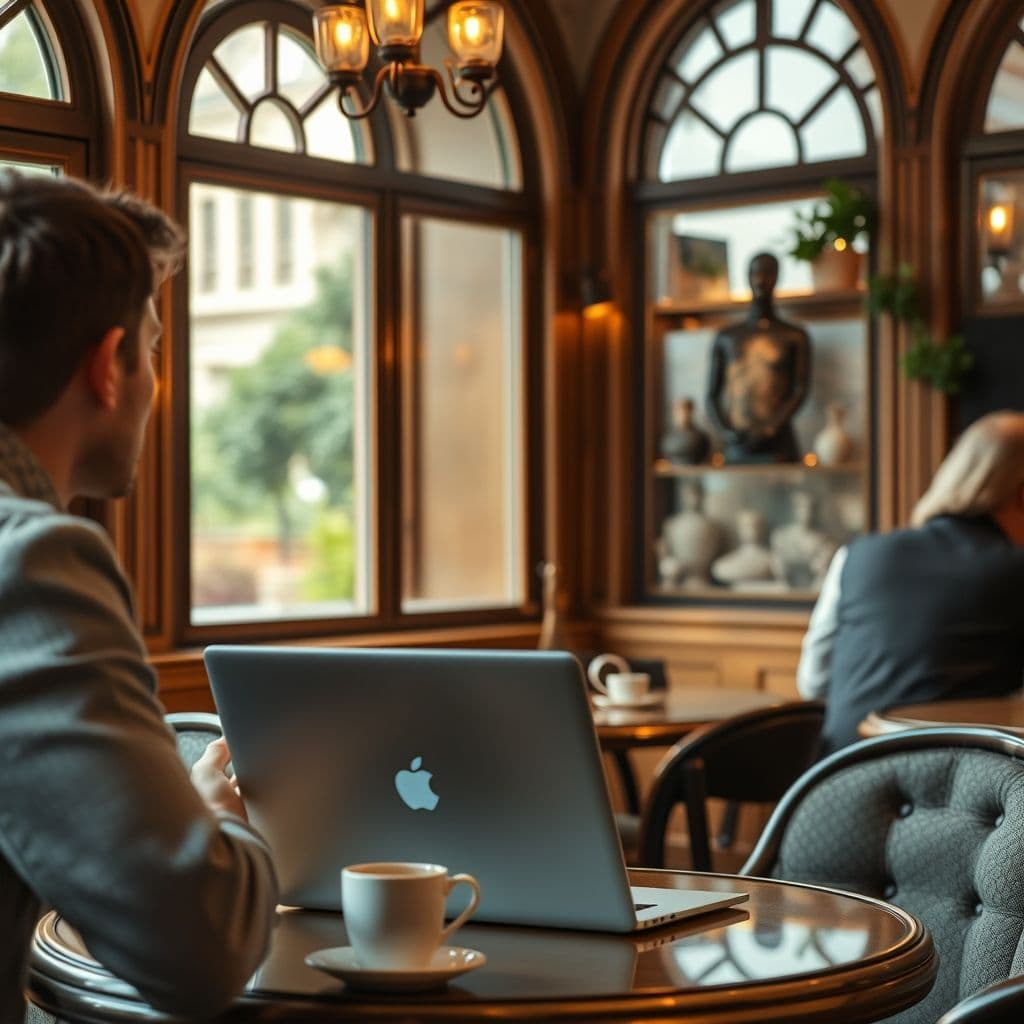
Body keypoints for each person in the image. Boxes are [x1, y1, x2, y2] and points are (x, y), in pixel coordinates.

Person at [0, 170, 278, 1021]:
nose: (160, 379)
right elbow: (199, 945)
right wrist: (218, 821)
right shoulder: (32, 566)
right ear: (108, 366)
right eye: (153, 348)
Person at [797, 410, 1024, 754]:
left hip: (826, 791)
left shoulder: (856, 555)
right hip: (954, 800)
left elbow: (813, 682)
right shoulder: (1015, 569)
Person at [705, 252, 811, 463]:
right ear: (747, 276)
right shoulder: (727, 337)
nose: (761, 279)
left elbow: (800, 390)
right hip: (737, 445)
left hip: (779, 447)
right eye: (756, 273)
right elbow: (712, 395)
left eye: (768, 273)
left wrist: (770, 427)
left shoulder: (794, 336)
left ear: (778, 277)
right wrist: (726, 430)